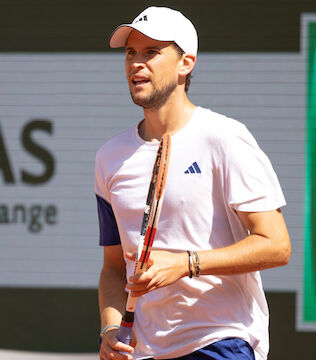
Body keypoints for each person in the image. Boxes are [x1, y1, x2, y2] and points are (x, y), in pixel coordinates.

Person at [95, 6, 290, 360]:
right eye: (130, 52)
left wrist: (186, 263)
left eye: (151, 52)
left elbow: (276, 245)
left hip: (220, 342)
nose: (136, 63)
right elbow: (112, 268)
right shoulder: (110, 157)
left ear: (186, 63)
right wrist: (110, 327)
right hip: (144, 350)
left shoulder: (226, 138)